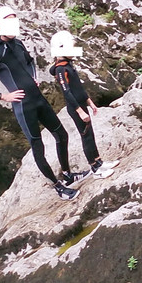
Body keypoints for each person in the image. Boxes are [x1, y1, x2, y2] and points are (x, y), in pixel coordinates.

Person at [0, 5, 85, 201]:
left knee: (61, 134)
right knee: (38, 146)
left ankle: (67, 174)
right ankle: (58, 187)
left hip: (38, 98)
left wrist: (34, 77)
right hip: (24, 106)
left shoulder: (18, 44)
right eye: (8, 20)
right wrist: (3, 96)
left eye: (14, 19)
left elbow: (30, 61)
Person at [49, 31, 119, 179]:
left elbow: (78, 88)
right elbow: (67, 92)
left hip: (83, 104)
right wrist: (80, 111)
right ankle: (94, 168)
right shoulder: (60, 69)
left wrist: (90, 103)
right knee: (86, 136)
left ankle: (99, 161)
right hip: (75, 108)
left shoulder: (69, 65)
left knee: (90, 134)